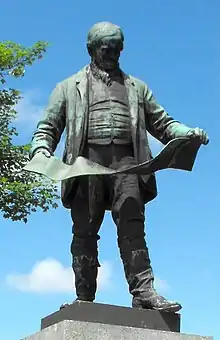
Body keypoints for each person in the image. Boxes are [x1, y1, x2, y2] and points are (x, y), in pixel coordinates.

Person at [30, 22, 209, 312]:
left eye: (117, 48)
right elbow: (48, 127)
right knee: (84, 231)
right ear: (91, 50)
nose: (113, 53)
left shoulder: (137, 87)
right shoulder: (67, 87)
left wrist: (186, 132)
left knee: (133, 227)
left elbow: (163, 123)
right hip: (85, 164)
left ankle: (144, 292)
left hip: (129, 164)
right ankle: (84, 298)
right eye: (106, 48)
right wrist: (41, 149)